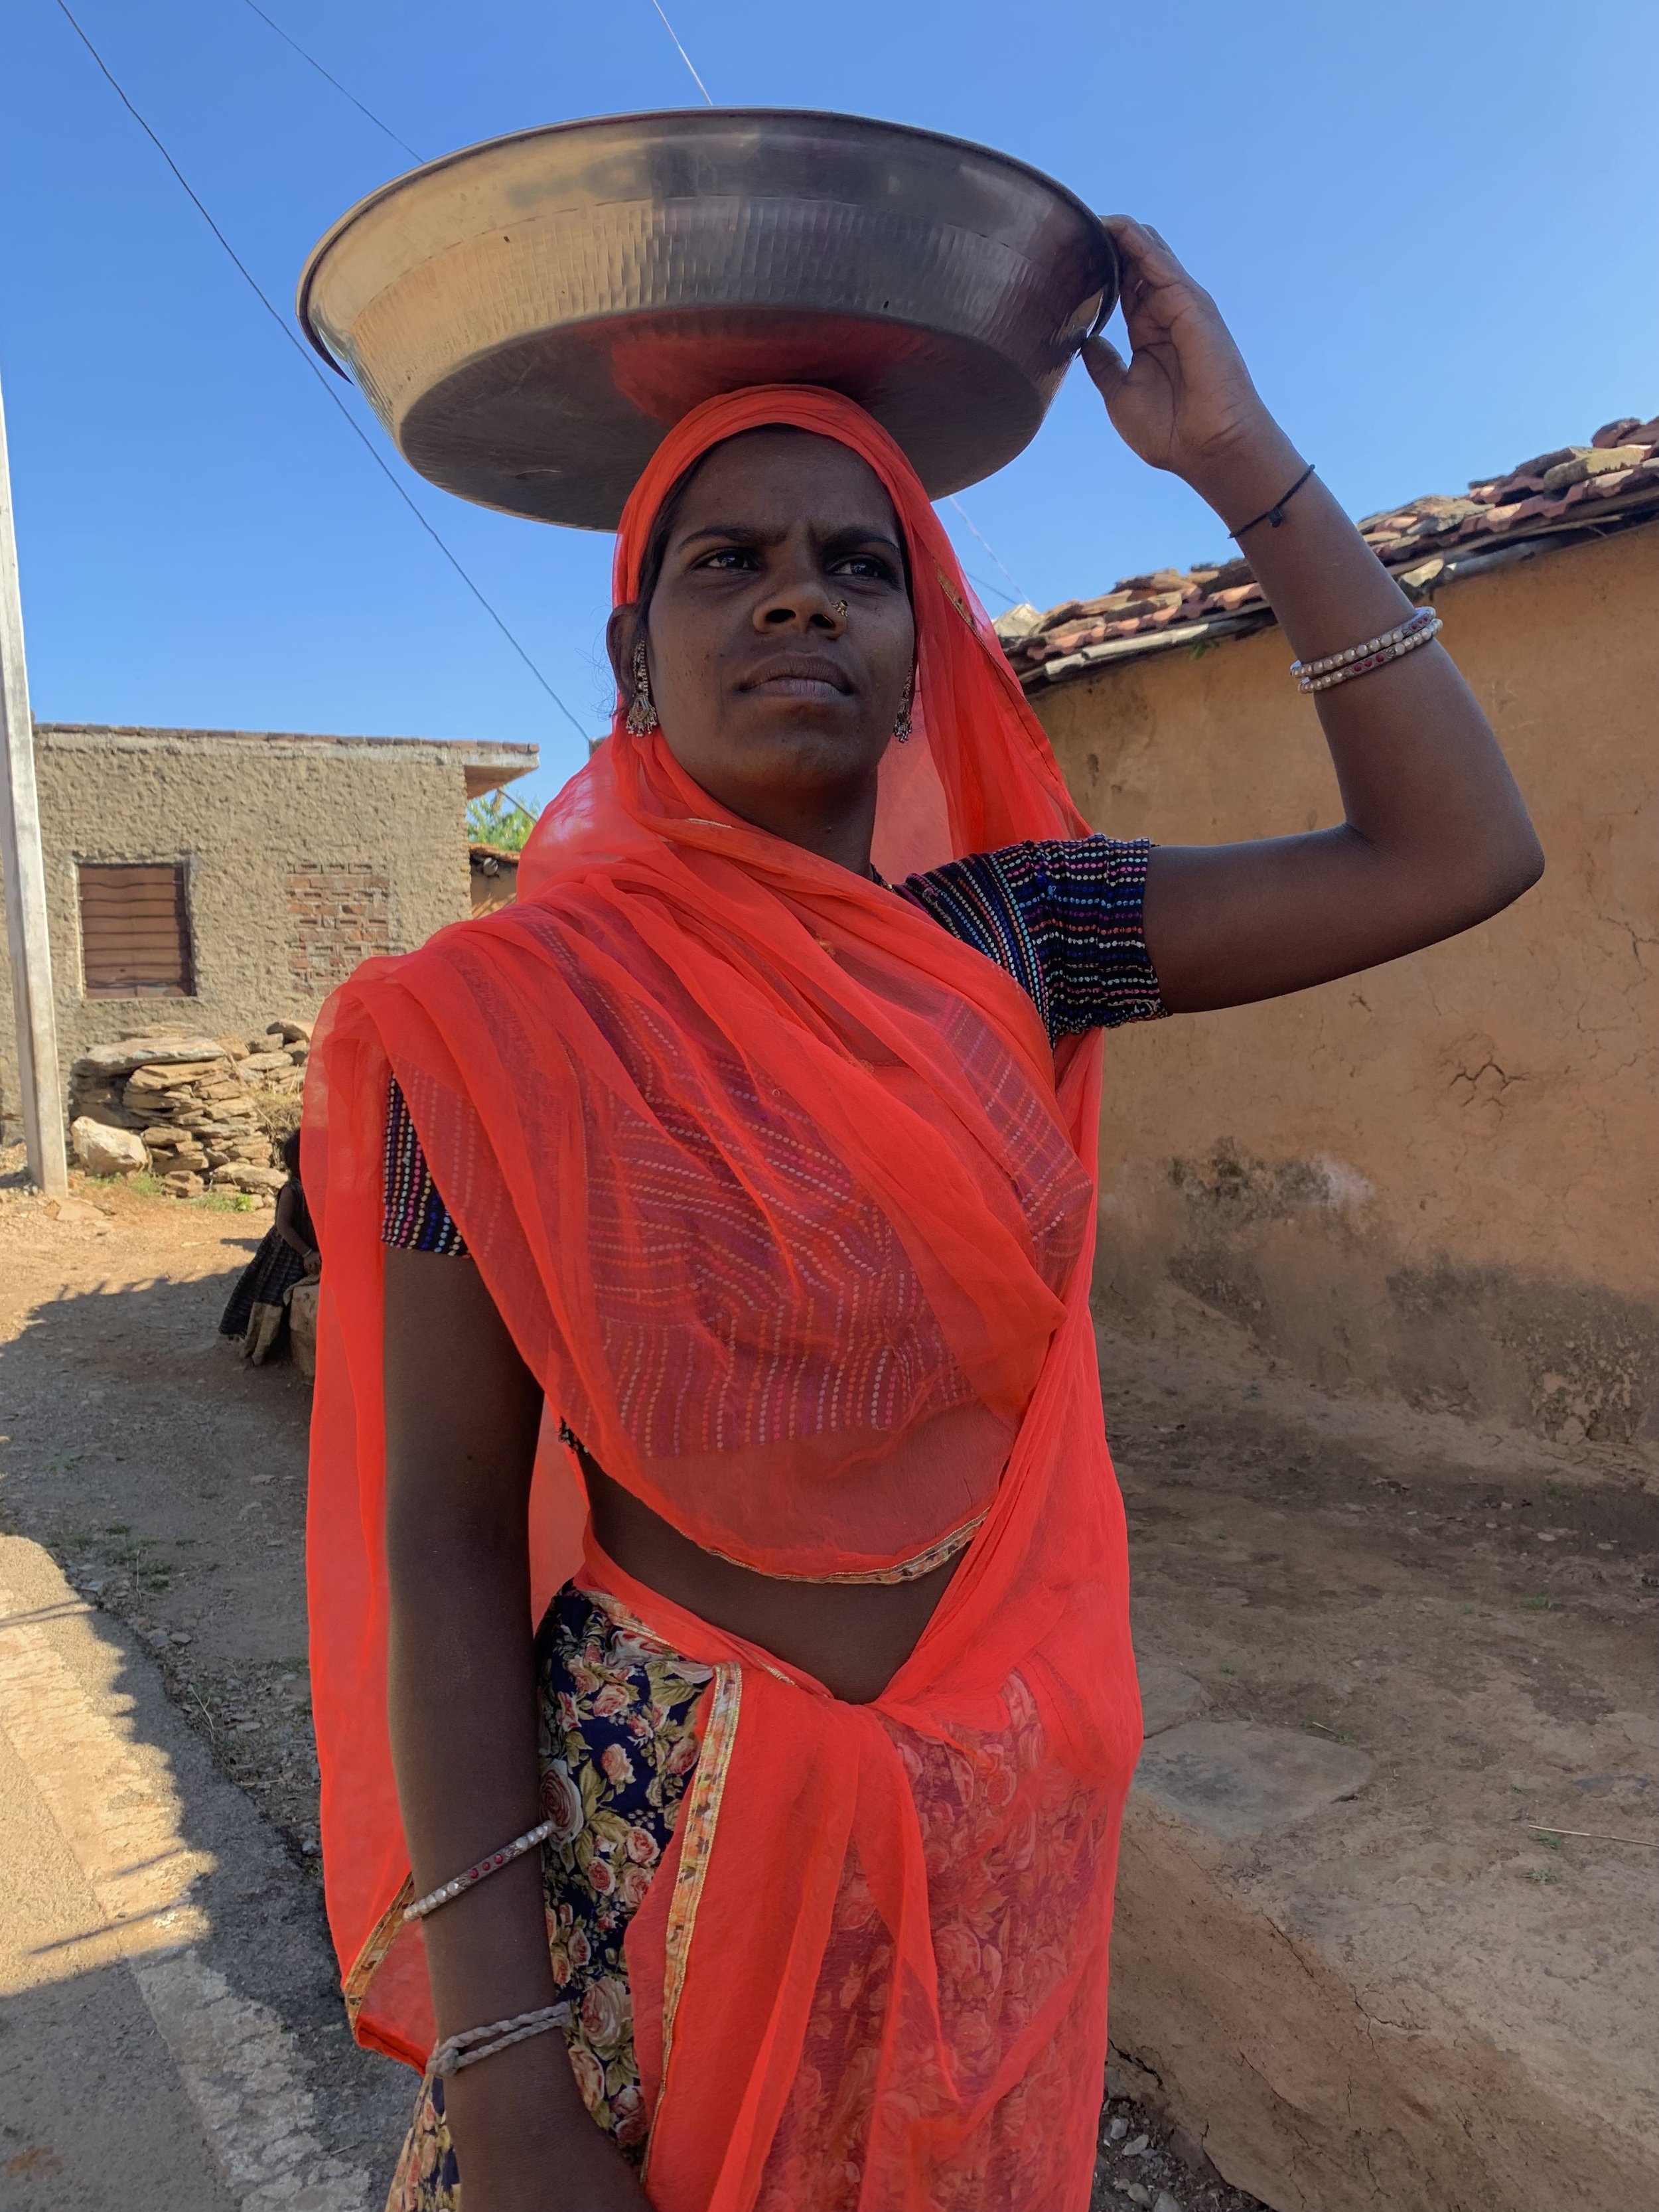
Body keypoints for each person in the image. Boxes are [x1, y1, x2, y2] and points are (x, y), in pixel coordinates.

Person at [304, 218, 1541, 2212]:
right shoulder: (489, 1028)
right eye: (731, 560)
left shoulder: (1012, 941)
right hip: (648, 1829)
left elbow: (1453, 847)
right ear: (631, 655)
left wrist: (1241, 464)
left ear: (916, 661)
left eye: (855, 565)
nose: (798, 597)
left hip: (989, 1817)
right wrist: (513, 2078)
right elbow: (444, 1534)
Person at [218, 1128, 319, 1363]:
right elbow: (283, 1226)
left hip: (305, 1250)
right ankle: (260, 1346)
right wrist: (306, 1252)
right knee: (273, 1295)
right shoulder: (293, 1190)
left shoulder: (318, 1187)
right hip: (286, 1253)